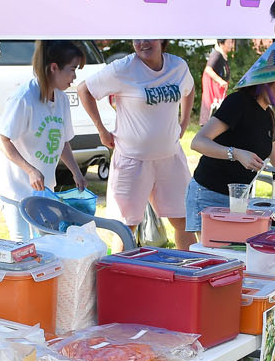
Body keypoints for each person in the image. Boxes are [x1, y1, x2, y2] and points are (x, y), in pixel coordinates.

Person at [77, 38, 196, 248]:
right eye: (137, 38)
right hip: (132, 161)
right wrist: (101, 130)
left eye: (148, 37)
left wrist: (184, 121)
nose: (142, 43)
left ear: (162, 39)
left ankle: (191, 268)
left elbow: (189, 87)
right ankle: (119, 270)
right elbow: (84, 90)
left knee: (184, 222)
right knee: (125, 228)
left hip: (170, 158)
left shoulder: (178, 66)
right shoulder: (123, 68)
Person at [186, 43, 275, 233]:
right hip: (209, 195)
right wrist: (236, 153)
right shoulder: (238, 103)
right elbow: (198, 142)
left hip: (239, 201)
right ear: (268, 79)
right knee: (213, 250)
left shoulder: (268, 116)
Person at [0, 40, 89, 239]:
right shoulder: (24, 98)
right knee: (22, 245)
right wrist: (30, 170)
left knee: (46, 243)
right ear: (54, 68)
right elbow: (2, 141)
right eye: (72, 69)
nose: (75, 77)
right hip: (15, 188)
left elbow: (63, 141)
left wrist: (76, 172)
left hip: (43, 189)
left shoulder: (62, 99)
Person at [200, 38, 235, 125]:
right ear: (221, 43)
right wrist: (220, 81)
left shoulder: (223, 56)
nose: (231, 45)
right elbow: (208, 69)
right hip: (214, 93)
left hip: (220, 91)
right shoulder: (216, 55)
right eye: (229, 42)